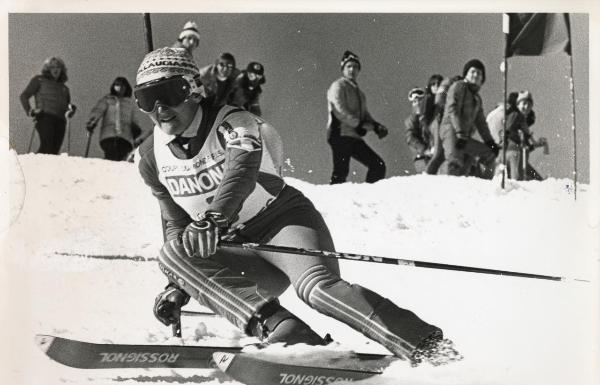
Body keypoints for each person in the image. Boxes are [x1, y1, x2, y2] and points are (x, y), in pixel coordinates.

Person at [134, 47, 459, 365]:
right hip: (242, 253)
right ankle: (284, 328)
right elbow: (176, 226)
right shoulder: (151, 157)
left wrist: (215, 217)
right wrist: (178, 285)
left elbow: (241, 173)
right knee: (171, 253)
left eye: (169, 92)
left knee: (318, 290)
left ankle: (430, 348)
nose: (160, 108)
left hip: (281, 223)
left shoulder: (235, 122)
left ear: (193, 89)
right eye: (147, 99)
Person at [326, 51, 389, 184]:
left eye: (355, 67)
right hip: (340, 134)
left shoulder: (359, 93)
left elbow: (365, 114)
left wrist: (376, 126)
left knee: (378, 165)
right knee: (341, 171)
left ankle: (369, 197)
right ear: (343, 69)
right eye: (349, 66)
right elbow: (339, 110)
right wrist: (359, 125)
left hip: (353, 136)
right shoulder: (338, 86)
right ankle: (333, 201)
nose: (352, 70)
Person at [438, 59, 499, 178]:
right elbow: (452, 109)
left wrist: (490, 142)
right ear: (466, 74)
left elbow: (481, 123)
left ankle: (483, 185)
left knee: (489, 154)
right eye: (473, 72)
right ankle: (445, 190)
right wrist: (460, 132)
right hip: (451, 130)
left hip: (463, 136)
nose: (476, 75)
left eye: (479, 73)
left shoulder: (477, 99)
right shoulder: (459, 86)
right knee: (454, 161)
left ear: (482, 79)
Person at [20, 56, 76, 154]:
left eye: (58, 67)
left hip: (60, 120)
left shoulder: (65, 89)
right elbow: (24, 96)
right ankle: (36, 165)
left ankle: (47, 168)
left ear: (62, 70)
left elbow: (66, 106)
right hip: (44, 116)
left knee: (54, 150)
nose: (55, 70)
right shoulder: (39, 80)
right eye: (52, 67)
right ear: (47, 69)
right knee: (47, 145)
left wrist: (71, 110)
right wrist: (30, 111)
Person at [85, 77, 150, 161]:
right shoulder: (108, 99)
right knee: (111, 155)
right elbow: (98, 110)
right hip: (109, 134)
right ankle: (108, 170)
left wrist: (136, 129)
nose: (120, 87)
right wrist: (92, 121)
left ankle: (113, 171)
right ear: (113, 86)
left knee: (121, 157)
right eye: (117, 85)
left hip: (125, 137)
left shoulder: (129, 103)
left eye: (123, 85)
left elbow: (134, 118)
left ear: (126, 88)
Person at [490, 91, 547, 180]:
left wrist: (534, 145)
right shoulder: (516, 115)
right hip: (512, 152)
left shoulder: (518, 120)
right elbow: (508, 129)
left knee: (501, 178)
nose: (526, 107)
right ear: (517, 104)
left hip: (505, 152)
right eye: (524, 103)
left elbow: (525, 147)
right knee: (517, 179)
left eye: (529, 105)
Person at [404, 86, 443, 175]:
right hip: (422, 157)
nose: (417, 103)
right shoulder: (411, 120)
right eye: (414, 101)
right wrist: (424, 150)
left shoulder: (430, 117)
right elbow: (410, 138)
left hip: (434, 153)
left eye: (420, 100)